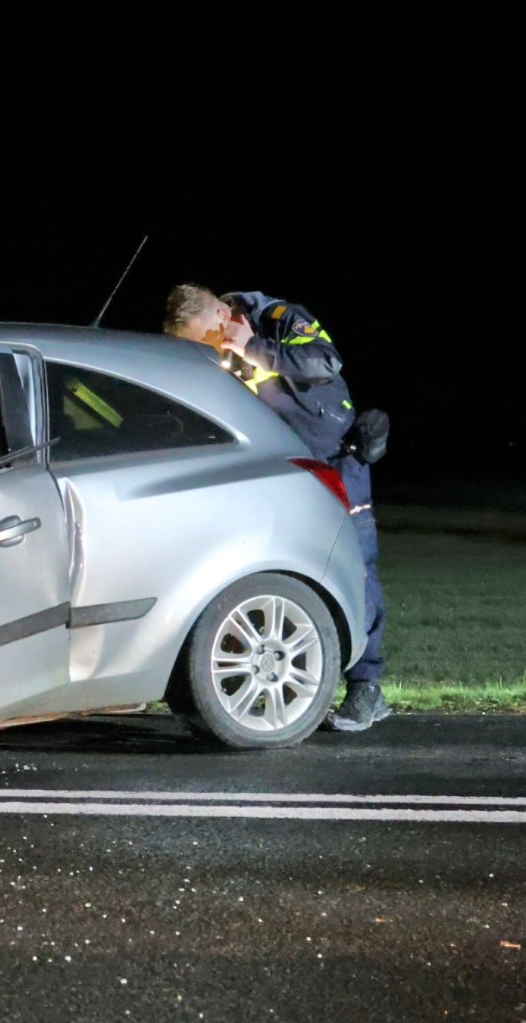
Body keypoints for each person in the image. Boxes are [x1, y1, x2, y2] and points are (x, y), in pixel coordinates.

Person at [163, 284, 389, 732]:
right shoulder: (216, 348)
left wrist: (252, 348)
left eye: (207, 339)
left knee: (356, 569)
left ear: (222, 318)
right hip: (275, 471)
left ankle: (367, 687)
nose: (208, 350)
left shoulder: (280, 320)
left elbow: (324, 363)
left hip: (335, 464)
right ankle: (264, 687)